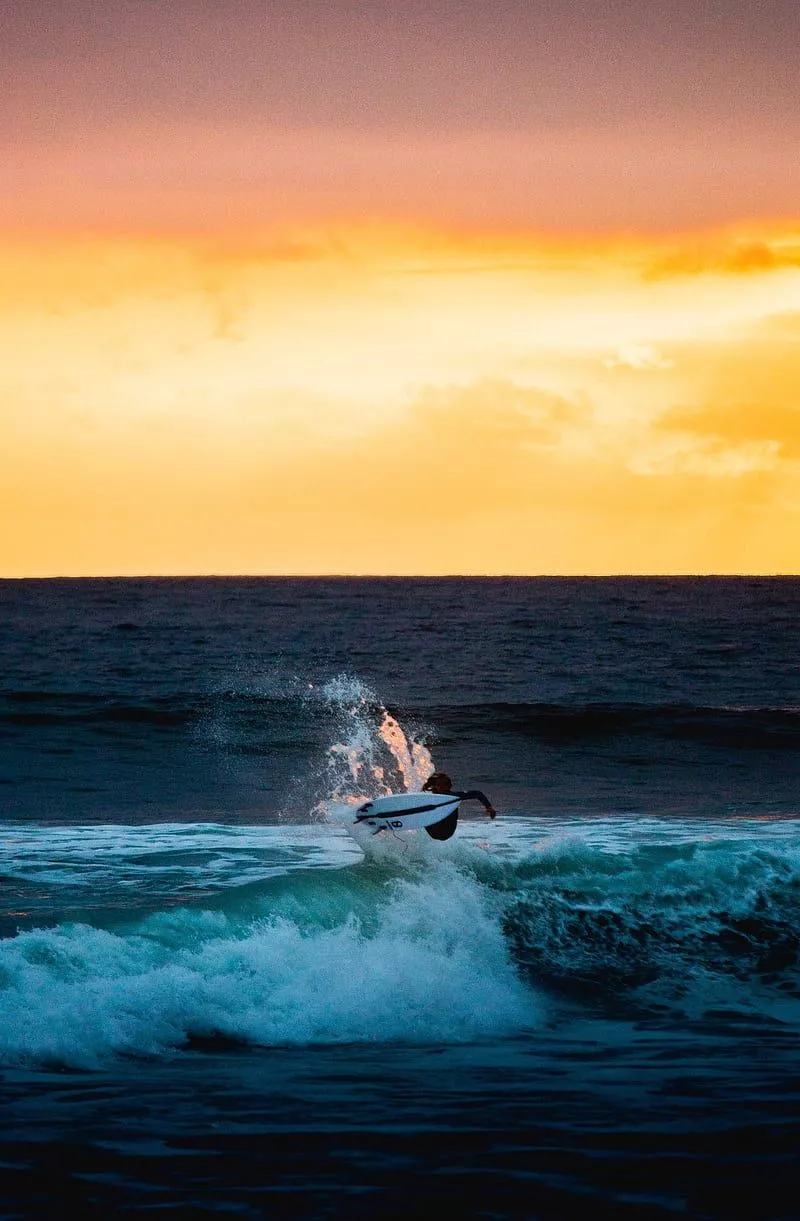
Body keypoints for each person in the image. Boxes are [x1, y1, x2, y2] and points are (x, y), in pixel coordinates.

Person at [421, 771, 496, 839]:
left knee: (429, 811)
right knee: (425, 811)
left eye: (445, 784)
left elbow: (478, 794)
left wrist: (489, 807)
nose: (442, 787)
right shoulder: (431, 798)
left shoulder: (453, 796)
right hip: (434, 831)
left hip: (447, 831)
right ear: (435, 786)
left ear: (449, 786)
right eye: (439, 785)